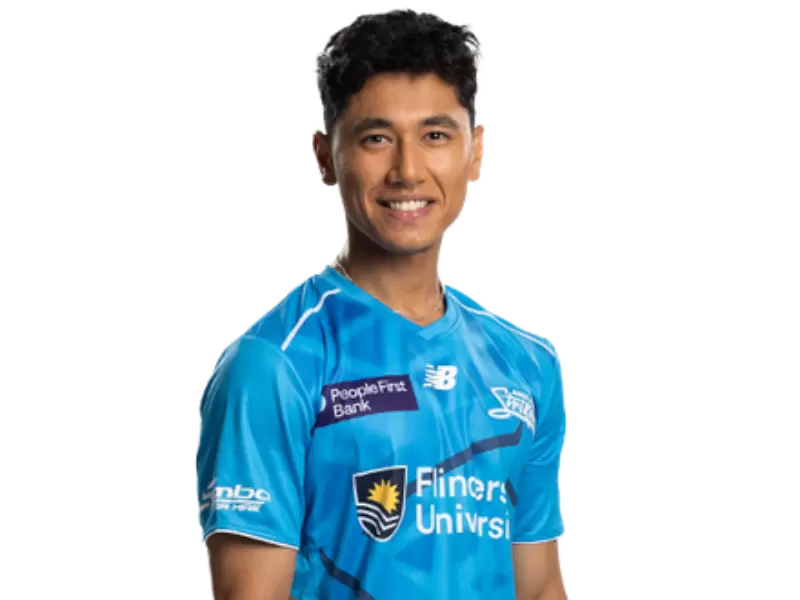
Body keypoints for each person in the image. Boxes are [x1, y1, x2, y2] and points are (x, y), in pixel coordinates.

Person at [195, 7, 569, 599]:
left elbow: (540, 588)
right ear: (325, 156)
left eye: (435, 135)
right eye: (376, 138)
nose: (407, 170)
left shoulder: (528, 363)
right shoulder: (273, 364)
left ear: (477, 151)